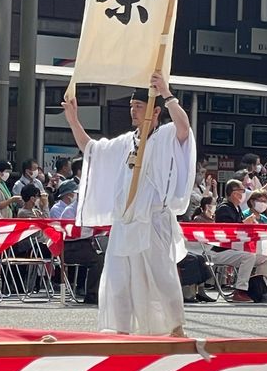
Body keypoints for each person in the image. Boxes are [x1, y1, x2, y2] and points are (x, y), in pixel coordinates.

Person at [63, 71, 195, 337]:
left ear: (155, 111)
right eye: (132, 107)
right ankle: (120, 331)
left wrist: (167, 94)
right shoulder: (126, 142)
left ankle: (174, 327)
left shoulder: (167, 135)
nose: (133, 111)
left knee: (161, 277)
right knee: (119, 280)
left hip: (154, 221)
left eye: (139, 106)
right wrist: (73, 120)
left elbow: (184, 128)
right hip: (124, 224)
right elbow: (91, 150)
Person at [210, 178, 267, 303]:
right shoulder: (224, 208)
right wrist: (245, 223)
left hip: (235, 250)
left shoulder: (237, 209)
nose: (244, 194)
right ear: (234, 193)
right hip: (221, 251)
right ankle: (240, 290)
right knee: (248, 256)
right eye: (242, 191)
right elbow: (228, 232)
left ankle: (260, 286)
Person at [59, 190, 105, 305]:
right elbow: (69, 233)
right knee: (98, 260)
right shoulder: (70, 211)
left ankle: (98, 292)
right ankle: (91, 295)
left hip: (85, 245)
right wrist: (91, 229)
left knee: (104, 257)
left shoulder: (89, 210)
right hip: (71, 247)